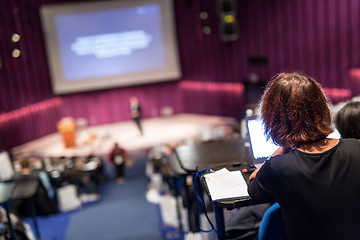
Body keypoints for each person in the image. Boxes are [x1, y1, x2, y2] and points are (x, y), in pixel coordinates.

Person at [247, 72, 360, 240]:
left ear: (274, 119)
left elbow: (253, 185)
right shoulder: (356, 148)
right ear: (322, 108)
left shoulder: (278, 167)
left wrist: (283, 148)